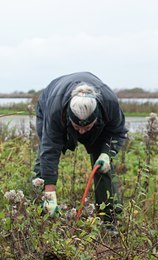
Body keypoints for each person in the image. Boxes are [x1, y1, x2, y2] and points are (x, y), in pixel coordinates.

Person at [32, 72, 128, 230]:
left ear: (97, 119)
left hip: (98, 125)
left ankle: (109, 220)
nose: (81, 132)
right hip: (50, 101)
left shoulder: (109, 103)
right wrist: (50, 194)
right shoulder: (56, 112)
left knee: (102, 167)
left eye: (87, 127)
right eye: (77, 127)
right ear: (69, 118)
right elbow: (50, 152)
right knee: (43, 156)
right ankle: (41, 211)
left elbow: (117, 132)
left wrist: (107, 153)